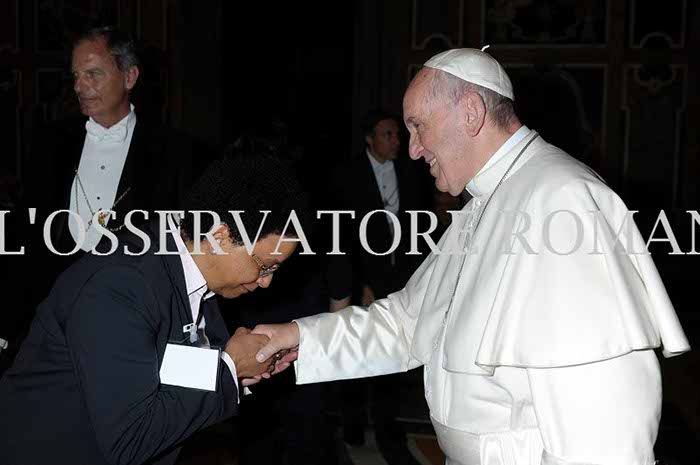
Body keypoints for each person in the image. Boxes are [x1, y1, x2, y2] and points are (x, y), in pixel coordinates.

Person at [252, 48, 691, 465]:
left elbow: (604, 425)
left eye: (418, 126)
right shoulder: (485, 200)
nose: (413, 149)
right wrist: (300, 337)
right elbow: (406, 323)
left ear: (471, 112)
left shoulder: (562, 199)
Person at [0, 154, 309, 465]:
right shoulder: (121, 285)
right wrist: (229, 369)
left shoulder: (193, 273)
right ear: (220, 237)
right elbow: (130, 441)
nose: (266, 282)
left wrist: (240, 367)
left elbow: (161, 368)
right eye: (265, 266)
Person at [0, 25, 212, 372]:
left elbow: (187, 255)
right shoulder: (49, 143)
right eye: (76, 76)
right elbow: (26, 237)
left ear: (129, 77)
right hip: (51, 328)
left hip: (133, 330)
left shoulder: (176, 153)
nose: (78, 86)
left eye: (93, 74)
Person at [326, 110, 430, 464]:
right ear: (370, 139)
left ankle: (387, 427)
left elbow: (418, 226)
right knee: (357, 353)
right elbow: (341, 235)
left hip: (398, 278)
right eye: (388, 134)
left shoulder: (411, 171)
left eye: (397, 134)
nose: (397, 140)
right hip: (361, 279)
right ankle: (353, 422)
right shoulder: (346, 174)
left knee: (392, 354)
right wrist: (359, 284)